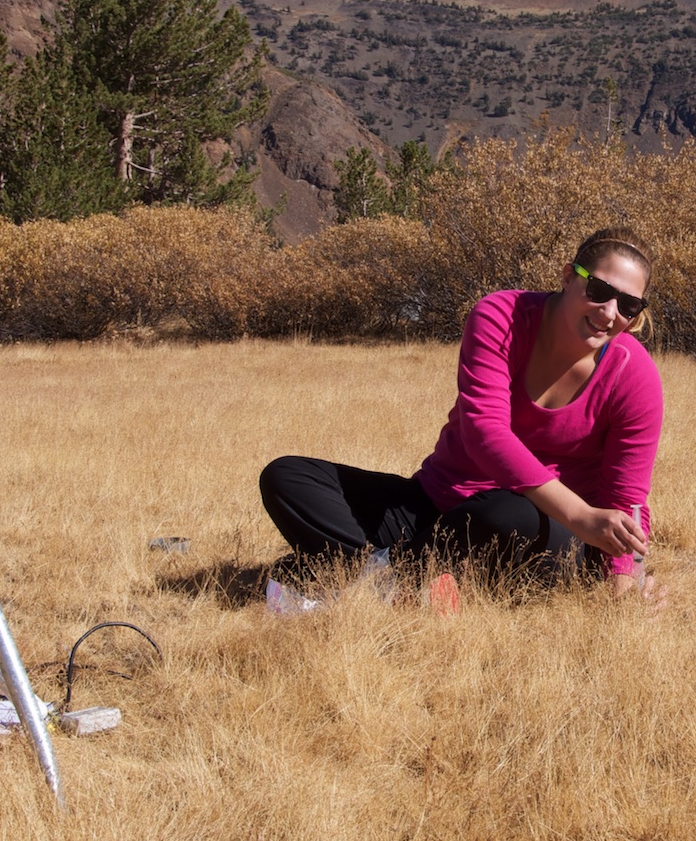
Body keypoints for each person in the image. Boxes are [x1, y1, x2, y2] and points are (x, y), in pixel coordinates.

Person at [259, 226, 664, 604]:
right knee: (288, 478)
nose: (610, 313)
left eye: (628, 305)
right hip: (440, 506)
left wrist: (624, 585)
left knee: (506, 512)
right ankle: (399, 581)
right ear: (567, 277)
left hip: (541, 527)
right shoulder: (501, 316)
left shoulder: (634, 375)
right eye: (598, 290)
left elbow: (626, 501)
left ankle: (363, 576)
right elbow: (485, 432)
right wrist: (584, 514)